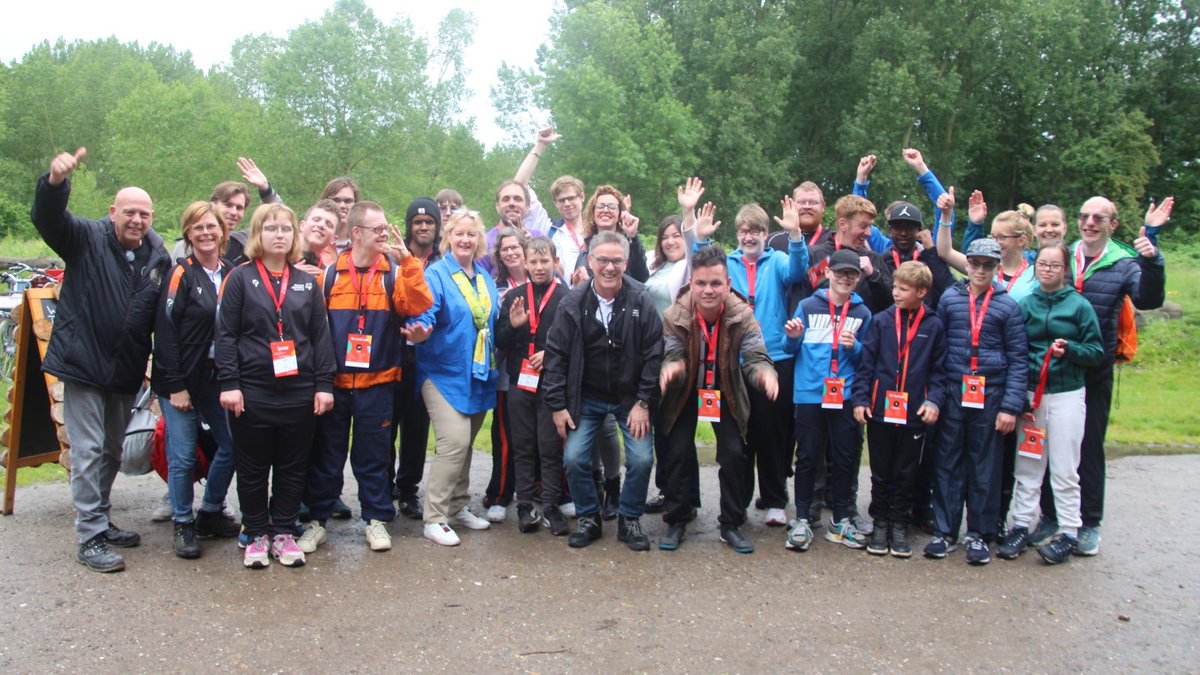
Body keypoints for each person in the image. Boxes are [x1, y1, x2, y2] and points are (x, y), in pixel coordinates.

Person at [31, 147, 171, 573]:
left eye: (144, 214)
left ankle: (101, 518)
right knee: (90, 449)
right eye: (129, 212)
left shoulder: (157, 258)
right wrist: (55, 183)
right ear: (113, 212)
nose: (137, 220)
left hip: (126, 369)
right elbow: (49, 219)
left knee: (111, 449)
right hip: (84, 363)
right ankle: (90, 536)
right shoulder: (86, 238)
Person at [1033, 196, 1170, 555]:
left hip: (1093, 370)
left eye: (1099, 217)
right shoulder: (1065, 254)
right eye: (1084, 216)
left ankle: (1089, 522)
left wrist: (1152, 258)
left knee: (1088, 446)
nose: (1090, 222)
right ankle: (1051, 516)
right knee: (1047, 443)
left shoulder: (1123, 261)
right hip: (1055, 370)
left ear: (1113, 224)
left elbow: (1148, 300)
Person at [298, 202, 432, 555]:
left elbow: (418, 304)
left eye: (385, 228)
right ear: (356, 233)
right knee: (327, 456)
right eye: (377, 229)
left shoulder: (393, 272)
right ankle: (317, 521)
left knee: (373, 458)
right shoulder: (329, 274)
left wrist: (408, 262)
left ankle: (376, 520)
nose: (384, 234)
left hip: (379, 383)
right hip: (335, 386)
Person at [216, 203, 336, 569]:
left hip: (298, 391)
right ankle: (255, 533)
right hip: (251, 391)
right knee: (252, 467)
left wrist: (323, 384)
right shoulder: (239, 278)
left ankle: (282, 531)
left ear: (294, 235)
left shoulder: (305, 282)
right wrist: (229, 382)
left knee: (292, 466)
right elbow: (225, 335)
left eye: (286, 228)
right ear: (258, 234)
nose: (279, 234)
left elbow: (320, 336)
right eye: (271, 228)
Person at [543, 230, 664, 551]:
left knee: (640, 460)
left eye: (617, 261)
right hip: (587, 398)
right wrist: (558, 405)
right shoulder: (572, 303)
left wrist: (643, 402)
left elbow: (655, 353)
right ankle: (588, 518)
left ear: (626, 263)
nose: (609, 268)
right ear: (590, 261)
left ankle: (629, 518)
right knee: (574, 458)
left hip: (630, 399)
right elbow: (556, 356)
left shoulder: (641, 299)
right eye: (603, 261)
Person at [925, 195, 1028, 565]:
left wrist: (1011, 407)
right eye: (975, 263)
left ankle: (980, 534)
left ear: (997, 267)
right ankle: (944, 530)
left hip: (991, 394)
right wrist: (935, 395)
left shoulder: (1007, 306)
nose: (981, 270)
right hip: (954, 390)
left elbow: (1019, 360)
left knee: (984, 466)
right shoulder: (951, 300)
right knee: (948, 462)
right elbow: (937, 352)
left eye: (988, 265)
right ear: (966, 264)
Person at [658, 246, 778, 553]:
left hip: (724, 389)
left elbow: (755, 354)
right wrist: (672, 365)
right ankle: (678, 518)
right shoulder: (675, 314)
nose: (708, 290)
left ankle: (730, 523)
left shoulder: (741, 314)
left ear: (727, 283)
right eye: (701, 283)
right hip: (686, 390)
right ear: (692, 284)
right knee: (678, 450)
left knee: (735, 453)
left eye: (715, 283)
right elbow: (671, 350)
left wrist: (765, 373)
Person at [1000, 244, 1103, 564]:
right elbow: (1014, 349)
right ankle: (1020, 525)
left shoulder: (1079, 306)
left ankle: (1069, 531)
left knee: (1063, 466)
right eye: (1042, 264)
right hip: (1032, 397)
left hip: (1067, 393)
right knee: (1028, 464)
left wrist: (1070, 350)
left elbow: (1096, 352)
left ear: (1064, 270)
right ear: (1035, 267)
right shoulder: (1025, 305)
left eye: (1054, 265)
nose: (1047, 269)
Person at [404, 211, 500, 546]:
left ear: (479, 240)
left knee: (467, 444)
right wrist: (420, 331)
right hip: (442, 372)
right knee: (454, 441)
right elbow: (426, 311)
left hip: (479, 372)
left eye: (472, 235)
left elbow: (491, 321)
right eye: (459, 234)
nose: (465, 240)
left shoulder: (485, 278)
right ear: (449, 236)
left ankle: (459, 506)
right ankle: (435, 516)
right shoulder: (437, 273)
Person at [151, 202, 241, 559]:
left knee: (232, 446)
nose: (205, 233)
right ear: (188, 233)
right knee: (184, 454)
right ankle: (183, 523)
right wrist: (175, 386)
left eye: (211, 226)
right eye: (197, 227)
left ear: (223, 232)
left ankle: (210, 511)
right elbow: (165, 331)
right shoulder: (181, 274)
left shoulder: (233, 272)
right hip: (180, 380)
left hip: (218, 378)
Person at [852, 261, 947, 558]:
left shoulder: (933, 325)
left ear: (921, 292)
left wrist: (934, 402)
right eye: (894, 286)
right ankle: (880, 521)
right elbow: (866, 365)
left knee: (907, 471)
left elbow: (939, 371)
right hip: (880, 411)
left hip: (914, 413)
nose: (895, 293)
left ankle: (899, 522)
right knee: (881, 470)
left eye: (903, 289)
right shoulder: (881, 321)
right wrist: (860, 400)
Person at [723, 198, 808, 528]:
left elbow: (799, 271)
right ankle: (740, 501)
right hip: (737, 358)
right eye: (744, 231)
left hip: (775, 358)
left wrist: (796, 234)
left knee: (772, 434)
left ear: (766, 233)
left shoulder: (780, 259)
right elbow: (700, 269)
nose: (749, 237)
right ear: (737, 234)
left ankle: (774, 499)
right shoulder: (728, 262)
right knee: (741, 435)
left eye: (756, 230)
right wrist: (699, 238)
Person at [782, 250, 873, 551]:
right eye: (840, 272)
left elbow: (866, 360)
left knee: (845, 457)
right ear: (829, 273)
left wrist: (855, 348)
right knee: (808, 457)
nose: (846, 278)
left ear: (858, 278)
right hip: (810, 393)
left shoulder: (862, 313)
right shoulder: (807, 306)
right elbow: (789, 347)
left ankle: (841, 520)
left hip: (845, 395)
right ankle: (803, 519)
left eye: (852, 274)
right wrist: (793, 337)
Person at [494, 236, 571, 534]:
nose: (539, 267)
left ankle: (551, 504)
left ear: (554, 262)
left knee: (550, 446)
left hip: (552, 385)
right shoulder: (514, 297)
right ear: (524, 263)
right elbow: (499, 341)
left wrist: (551, 353)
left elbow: (575, 344)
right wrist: (512, 326)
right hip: (519, 382)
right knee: (522, 445)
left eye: (545, 261)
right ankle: (524, 504)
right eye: (534, 262)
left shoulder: (567, 298)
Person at [391, 198, 443, 519]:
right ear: (410, 226)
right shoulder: (394, 259)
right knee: (386, 426)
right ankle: (384, 488)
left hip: (427, 358)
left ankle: (408, 488)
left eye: (430, 223)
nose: (423, 228)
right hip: (393, 354)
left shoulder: (444, 261)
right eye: (418, 223)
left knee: (417, 427)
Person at [483, 226, 530, 522]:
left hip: (542, 372)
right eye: (505, 249)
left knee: (541, 435)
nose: (511, 252)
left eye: (516, 247)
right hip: (506, 372)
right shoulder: (496, 286)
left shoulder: (550, 279)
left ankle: (540, 489)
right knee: (504, 436)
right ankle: (501, 492)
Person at [171, 157, 282, 264]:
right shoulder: (188, 245)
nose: (233, 212)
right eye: (228, 205)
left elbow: (277, 216)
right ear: (213, 205)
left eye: (239, 208)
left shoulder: (242, 242)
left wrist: (265, 189)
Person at [879, 201, 956, 310]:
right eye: (898, 228)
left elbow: (948, 287)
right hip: (891, 322)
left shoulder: (929, 258)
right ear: (890, 230)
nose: (903, 233)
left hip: (925, 322)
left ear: (918, 231)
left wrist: (930, 251)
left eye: (909, 228)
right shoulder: (882, 261)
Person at [547, 175, 589, 282]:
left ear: (582, 197)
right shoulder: (550, 231)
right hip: (563, 295)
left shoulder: (597, 230)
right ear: (555, 203)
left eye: (571, 198)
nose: (567, 204)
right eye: (561, 200)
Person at [295, 199, 340, 274]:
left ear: (333, 239)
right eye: (316, 220)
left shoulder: (327, 276)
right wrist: (290, 273)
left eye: (329, 224)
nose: (321, 225)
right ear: (302, 226)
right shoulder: (279, 258)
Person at [320, 176, 361, 244]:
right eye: (336, 200)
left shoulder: (364, 245)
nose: (342, 206)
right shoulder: (311, 243)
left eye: (348, 201)